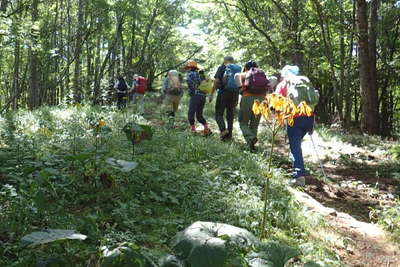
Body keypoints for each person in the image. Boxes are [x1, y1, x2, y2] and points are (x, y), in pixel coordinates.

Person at [275, 65, 315, 187]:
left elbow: (277, 103)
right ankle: (300, 168)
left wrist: (279, 118)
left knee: (295, 146)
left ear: (284, 74)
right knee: (297, 144)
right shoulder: (304, 81)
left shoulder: (283, 84)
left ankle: (299, 177)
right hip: (309, 116)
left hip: (294, 118)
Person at [238, 60, 270, 152]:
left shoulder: (245, 74)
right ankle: (251, 147)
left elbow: (237, 79)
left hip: (248, 98)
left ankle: (251, 138)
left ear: (246, 67)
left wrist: (241, 90)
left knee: (243, 122)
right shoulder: (262, 74)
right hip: (262, 100)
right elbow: (272, 81)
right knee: (254, 124)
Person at [211, 56, 242, 141]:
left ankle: (223, 131)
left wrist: (212, 93)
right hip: (234, 94)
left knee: (218, 114)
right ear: (233, 61)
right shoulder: (238, 69)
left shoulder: (222, 67)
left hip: (223, 93)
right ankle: (230, 135)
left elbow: (216, 81)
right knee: (230, 115)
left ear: (225, 61)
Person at [185, 60, 210, 135]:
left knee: (191, 113)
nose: (187, 69)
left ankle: (193, 130)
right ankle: (206, 129)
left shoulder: (190, 74)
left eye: (188, 67)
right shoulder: (201, 75)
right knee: (199, 115)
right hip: (203, 96)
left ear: (191, 68)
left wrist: (192, 91)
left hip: (195, 96)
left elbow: (190, 85)